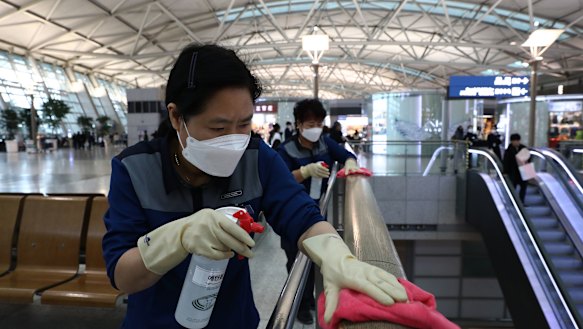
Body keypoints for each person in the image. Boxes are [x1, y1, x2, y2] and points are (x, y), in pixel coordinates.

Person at [102, 44, 407, 329]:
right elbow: (123, 275)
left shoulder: (257, 158)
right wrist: (177, 238)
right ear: (176, 116)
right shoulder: (135, 169)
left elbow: (300, 215)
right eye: (218, 127)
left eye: (244, 124)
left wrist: (338, 258)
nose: (234, 140)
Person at [276, 99, 362, 324]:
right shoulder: (286, 149)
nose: (315, 127)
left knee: (317, 258)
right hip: (291, 213)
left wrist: (351, 163)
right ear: (299, 124)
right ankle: (302, 304)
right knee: (295, 259)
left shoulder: (324, 143)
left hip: (316, 212)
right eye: (310, 122)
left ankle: (312, 298)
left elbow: (345, 155)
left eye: (319, 122)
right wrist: (304, 171)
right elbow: (279, 181)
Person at [503, 133, 528, 203]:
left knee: (523, 186)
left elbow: (527, 159)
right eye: (515, 141)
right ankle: (513, 201)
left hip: (523, 171)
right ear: (512, 141)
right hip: (513, 171)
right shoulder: (509, 150)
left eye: (518, 140)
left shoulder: (523, 148)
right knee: (513, 187)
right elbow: (506, 161)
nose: (516, 142)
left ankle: (521, 201)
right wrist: (505, 172)